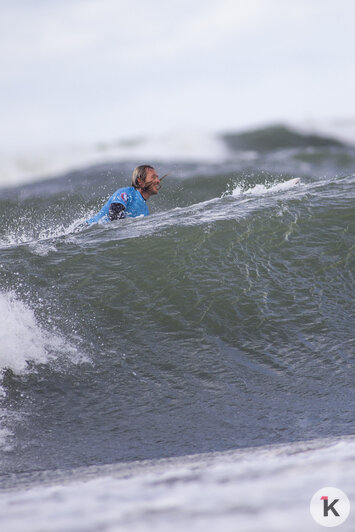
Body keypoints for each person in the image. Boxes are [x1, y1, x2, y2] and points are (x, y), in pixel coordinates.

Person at [86, 165, 161, 225]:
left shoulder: (145, 210)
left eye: (157, 177)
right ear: (140, 181)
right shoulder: (127, 193)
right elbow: (114, 212)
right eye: (153, 177)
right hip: (86, 229)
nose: (158, 181)